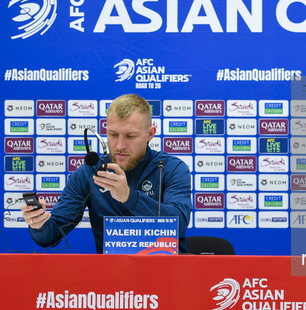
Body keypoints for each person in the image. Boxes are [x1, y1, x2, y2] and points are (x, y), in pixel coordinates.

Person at [21, 94, 192, 253]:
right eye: (113, 134)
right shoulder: (89, 173)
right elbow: (50, 236)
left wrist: (128, 197)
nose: (120, 145)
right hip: (113, 277)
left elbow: (178, 225)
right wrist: (39, 224)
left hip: (167, 274)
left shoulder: (172, 168)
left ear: (150, 134)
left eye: (130, 136)